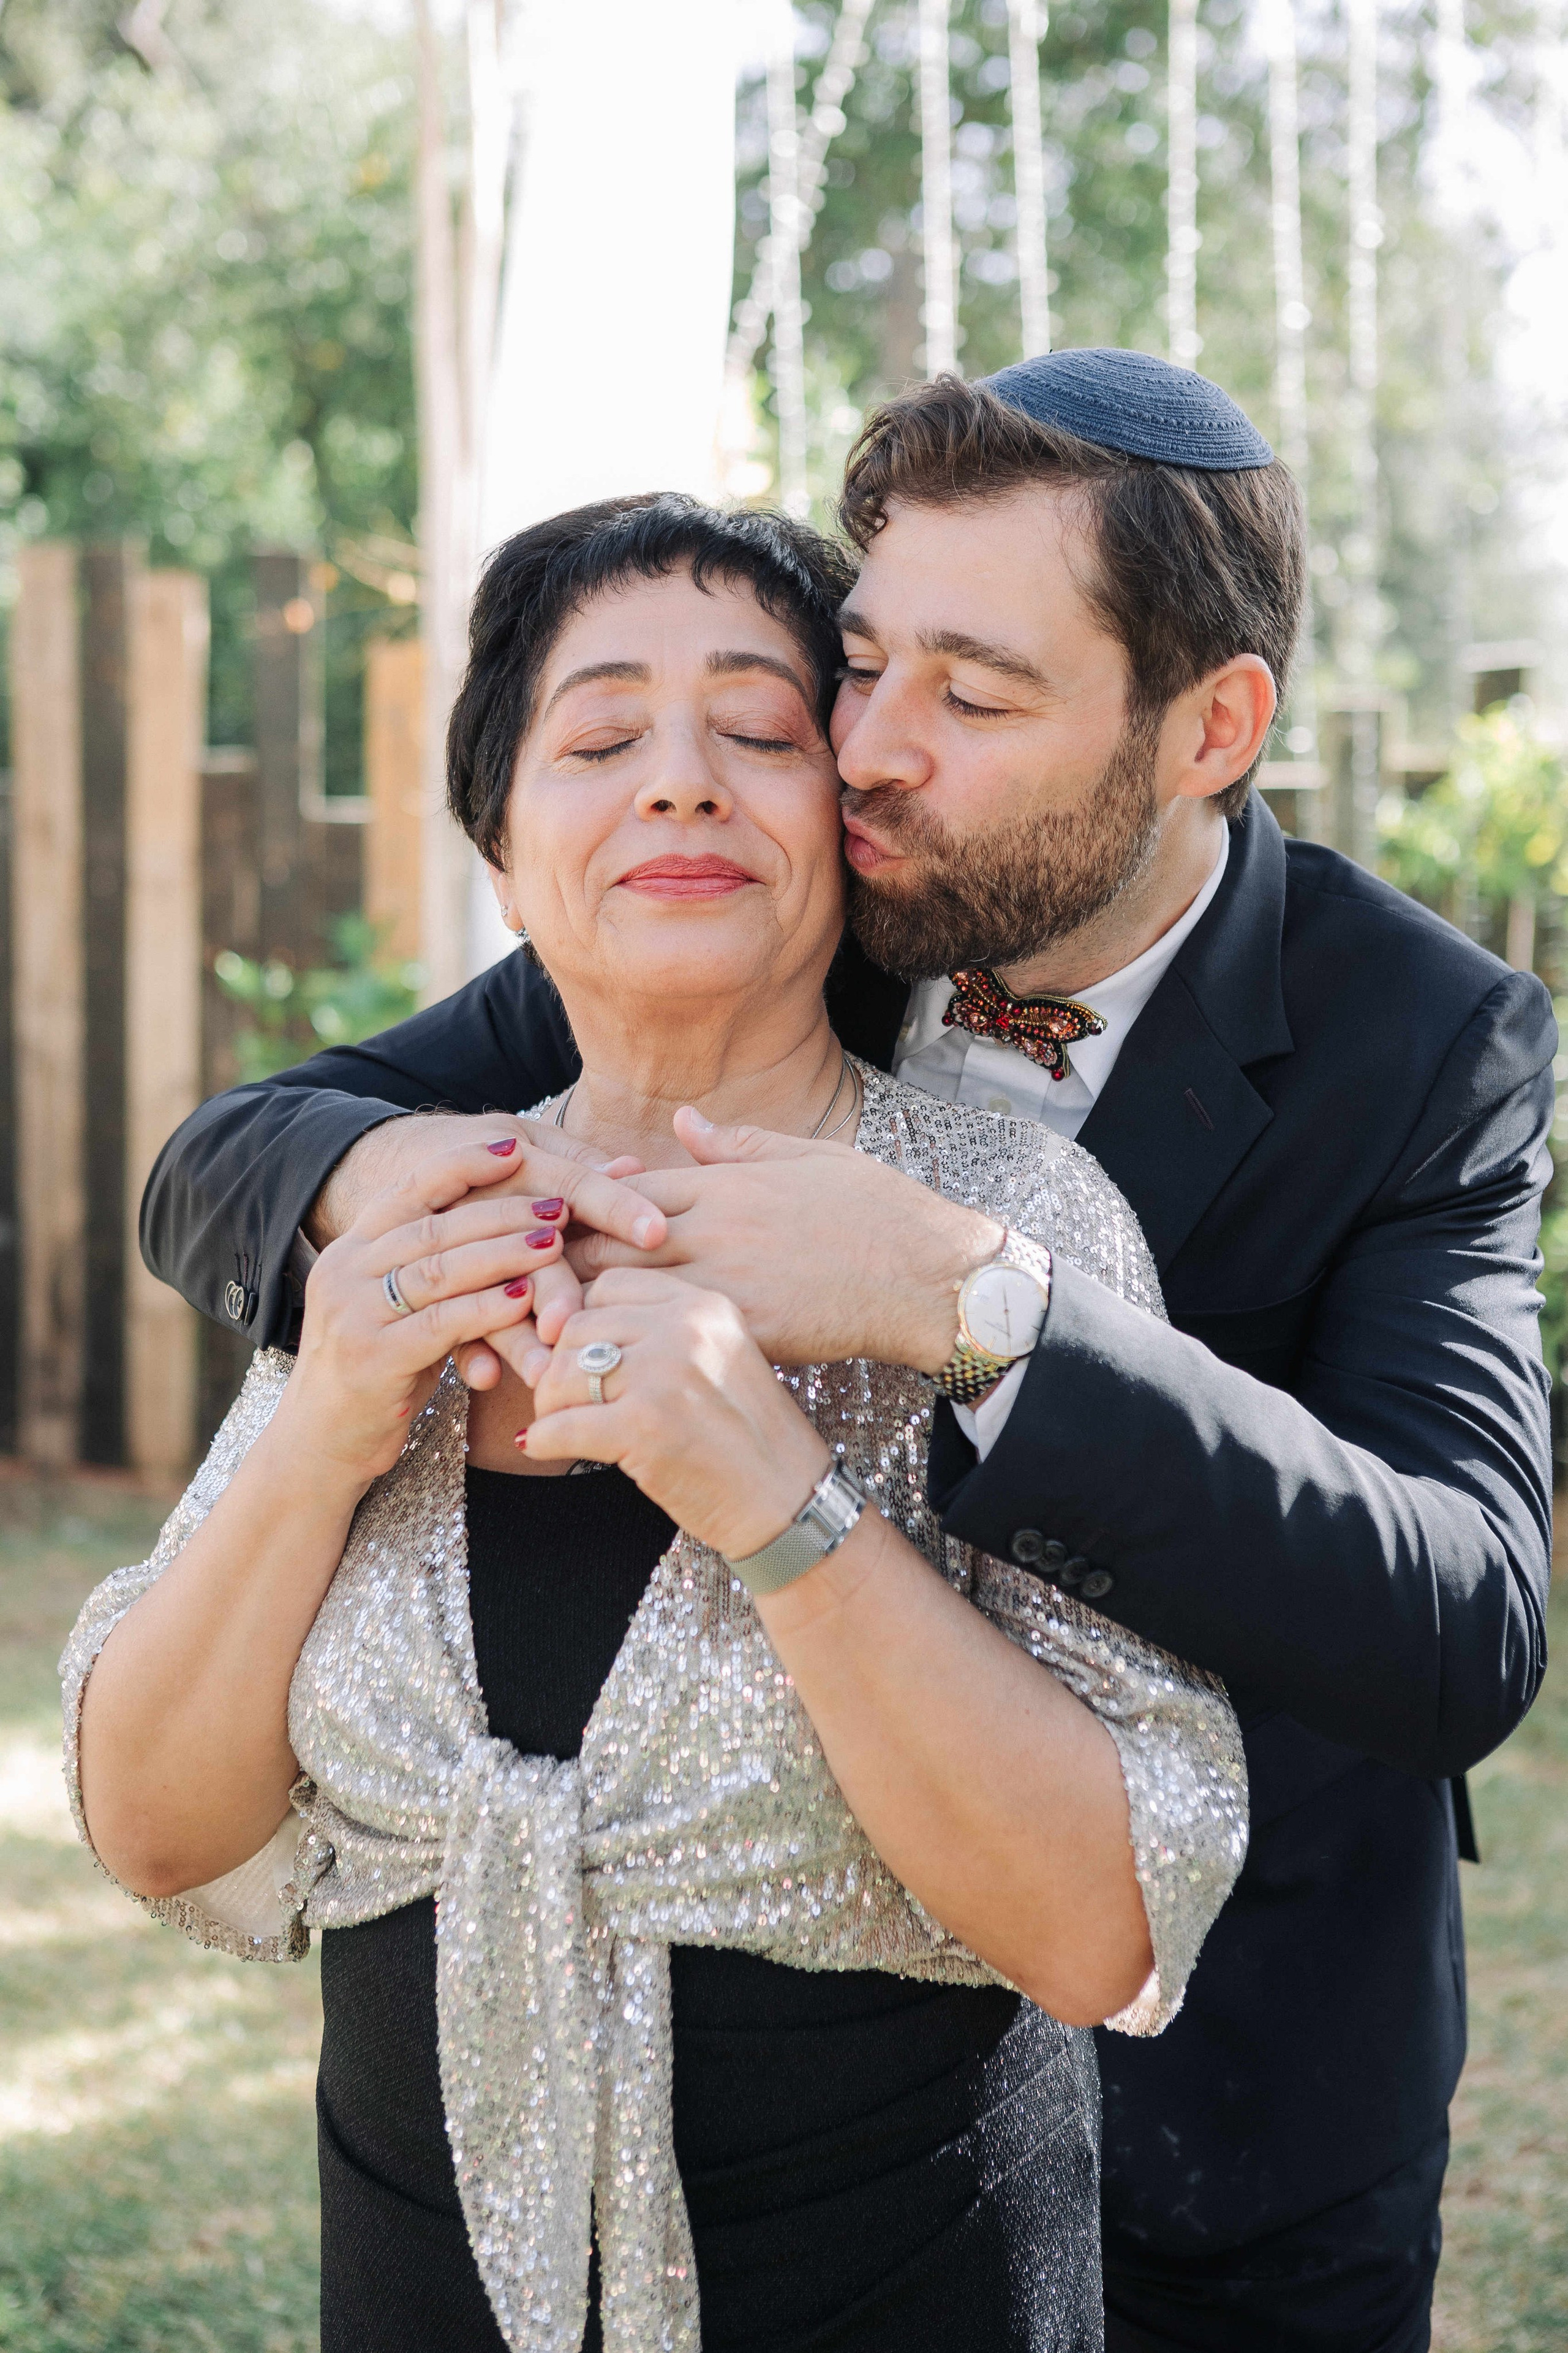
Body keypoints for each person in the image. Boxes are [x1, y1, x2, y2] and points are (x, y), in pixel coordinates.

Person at [140, 353, 1556, 2353]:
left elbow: (1466, 1621)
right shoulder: (808, 888)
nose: (869, 751)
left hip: (1240, 2089)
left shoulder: (1428, 1038)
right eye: (863, 666)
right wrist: (383, 1186)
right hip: (794, 2092)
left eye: (971, 697)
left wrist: (983, 1304)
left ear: (1209, 726)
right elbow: (235, 1153)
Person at [66, 495, 1246, 2353]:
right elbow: (150, 1819)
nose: (682, 786)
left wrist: (778, 1500)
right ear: (505, 848)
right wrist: (325, 1427)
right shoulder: (404, 1219)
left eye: (762, 736)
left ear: (848, 830)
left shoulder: (996, 1233)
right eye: (600, 739)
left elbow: (1101, 1921)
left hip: (904, 2289)